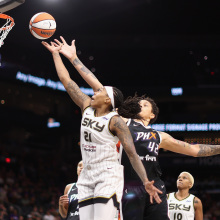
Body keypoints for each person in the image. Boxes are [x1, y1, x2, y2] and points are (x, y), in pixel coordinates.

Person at [55, 37, 220, 220]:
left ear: (152, 115)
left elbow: (194, 150)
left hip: (154, 184)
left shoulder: (159, 136)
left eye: (145, 104)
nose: (140, 104)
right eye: (139, 103)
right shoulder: (121, 121)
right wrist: (73, 58)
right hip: (128, 185)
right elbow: (99, 87)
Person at [42, 39, 162, 220]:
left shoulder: (115, 121)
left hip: (107, 174)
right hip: (87, 173)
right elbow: (66, 80)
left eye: (100, 92)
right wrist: (56, 54)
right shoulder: (86, 107)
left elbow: (131, 153)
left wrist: (145, 181)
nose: (95, 91)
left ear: (108, 101)